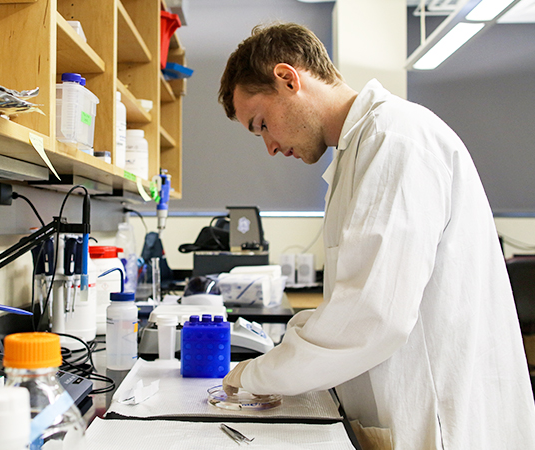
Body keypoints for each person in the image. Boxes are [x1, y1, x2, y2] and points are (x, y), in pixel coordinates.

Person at [218, 22, 535, 450]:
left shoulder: (395, 140)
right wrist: (281, 355)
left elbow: (370, 316)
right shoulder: (361, 150)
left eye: (261, 124)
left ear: (288, 79)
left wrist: (254, 375)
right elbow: (355, 301)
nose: (270, 147)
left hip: (441, 418)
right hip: (408, 408)